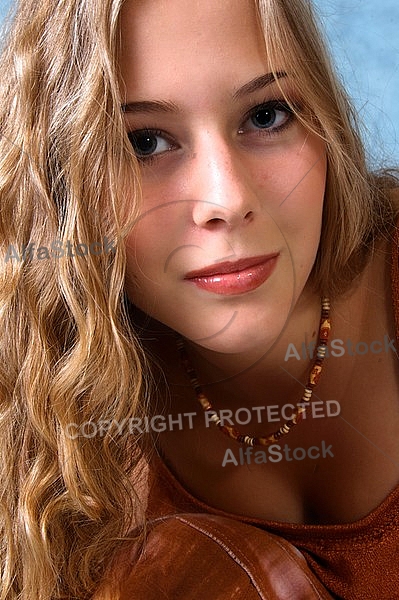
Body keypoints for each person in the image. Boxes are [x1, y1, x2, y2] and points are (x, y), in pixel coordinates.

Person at [0, 0, 398, 598]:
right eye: (144, 143)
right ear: (61, 184)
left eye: (266, 115)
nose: (226, 197)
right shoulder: (49, 416)